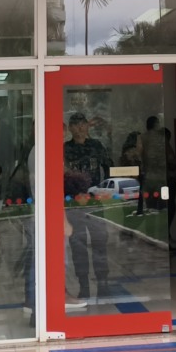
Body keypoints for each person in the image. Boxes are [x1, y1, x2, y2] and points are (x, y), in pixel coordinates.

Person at [63, 111, 110, 303]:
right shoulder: (65, 149)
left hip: (95, 200)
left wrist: (106, 190)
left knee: (100, 241)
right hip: (74, 203)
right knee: (78, 244)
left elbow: (108, 168)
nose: (80, 128)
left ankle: (103, 283)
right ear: (70, 128)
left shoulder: (96, 146)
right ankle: (84, 285)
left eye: (83, 124)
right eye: (76, 124)